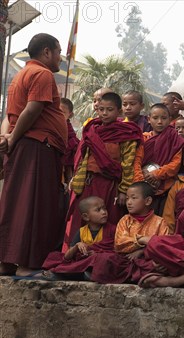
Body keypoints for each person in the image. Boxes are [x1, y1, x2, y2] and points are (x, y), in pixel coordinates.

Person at [0, 33, 68, 277]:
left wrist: (6, 138)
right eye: (59, 52)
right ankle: (27, 265)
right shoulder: (42, 73)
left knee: (15, 203)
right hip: (37, 147)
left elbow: (9, 117)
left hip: (25, 147)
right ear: (47, 51)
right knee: (34, 205)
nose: (61, 58)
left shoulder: (18, 76)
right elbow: (32, 109)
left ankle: (6, 262)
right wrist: (14, 138)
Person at [65, 92, 142, 252]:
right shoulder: (92, 129)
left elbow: (127, 164)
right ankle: (76, 253)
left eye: (109, 109)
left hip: (110, 185)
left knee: (108, 219)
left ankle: (104, 254)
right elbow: (83, 158)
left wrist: (123, 190)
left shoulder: (126, 133)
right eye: (101, 109)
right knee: (83, 218)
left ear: (119, 112)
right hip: (89, 182)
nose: (104, 113)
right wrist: (76, 178)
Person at [90, 182, 172, 284]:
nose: (128, 202)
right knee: (105, 258)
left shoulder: (160, 222)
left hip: (146, 261)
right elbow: (119, 244)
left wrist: (142, 251)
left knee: (159, 264)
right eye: (127, 198)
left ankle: (134, 276)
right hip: (125, 260)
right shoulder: (125, 220)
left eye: (133, 198)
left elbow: (163, 246)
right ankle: (139, 276)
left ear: (147, 201)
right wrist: (142, 240)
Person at [134, 103, 184, 216]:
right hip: (142, 186)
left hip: (166, 187)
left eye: (163, 118)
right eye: (155, 118)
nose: (159, 121)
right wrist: (141, 180)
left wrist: (156, 174)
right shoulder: (143, 138)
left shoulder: (174, 139)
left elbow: (175, 164)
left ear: (169, 119)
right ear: (149, 119)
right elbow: (136, 161)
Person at [42, 196, 116, 279]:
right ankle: (83, 274)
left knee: (103, 258)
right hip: (84, 260)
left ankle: (62, 273)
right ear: (86, 217)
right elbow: (67, 256)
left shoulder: (113, 229)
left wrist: (98, 253)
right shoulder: (81, 232)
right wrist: (77, 246)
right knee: (55, 256)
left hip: (100, 261)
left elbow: (117, 251)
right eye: (98, 210)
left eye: (104, 209)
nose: (104, 212)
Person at [60, 97, 80, 185]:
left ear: (70, 115)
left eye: (62, 113)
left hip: (64, 167)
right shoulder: (50, 126)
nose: (58, 115)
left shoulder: (70, 131)